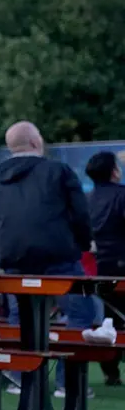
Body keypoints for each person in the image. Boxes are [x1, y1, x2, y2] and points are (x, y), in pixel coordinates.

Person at [0, 121, 95, 395]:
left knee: (18, 316)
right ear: (36, 143)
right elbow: (80, 213)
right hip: (58, 254)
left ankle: (18, 377)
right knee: (81, 312)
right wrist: (83, 244)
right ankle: (66, 383)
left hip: (13, 258)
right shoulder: (58, 170)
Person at [84, 151, 125, 383]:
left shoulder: (86, 199)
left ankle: (111, 372)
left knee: (108, 318)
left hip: (97, 270)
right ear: (114, 171)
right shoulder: (122, 194)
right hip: (121, 265)